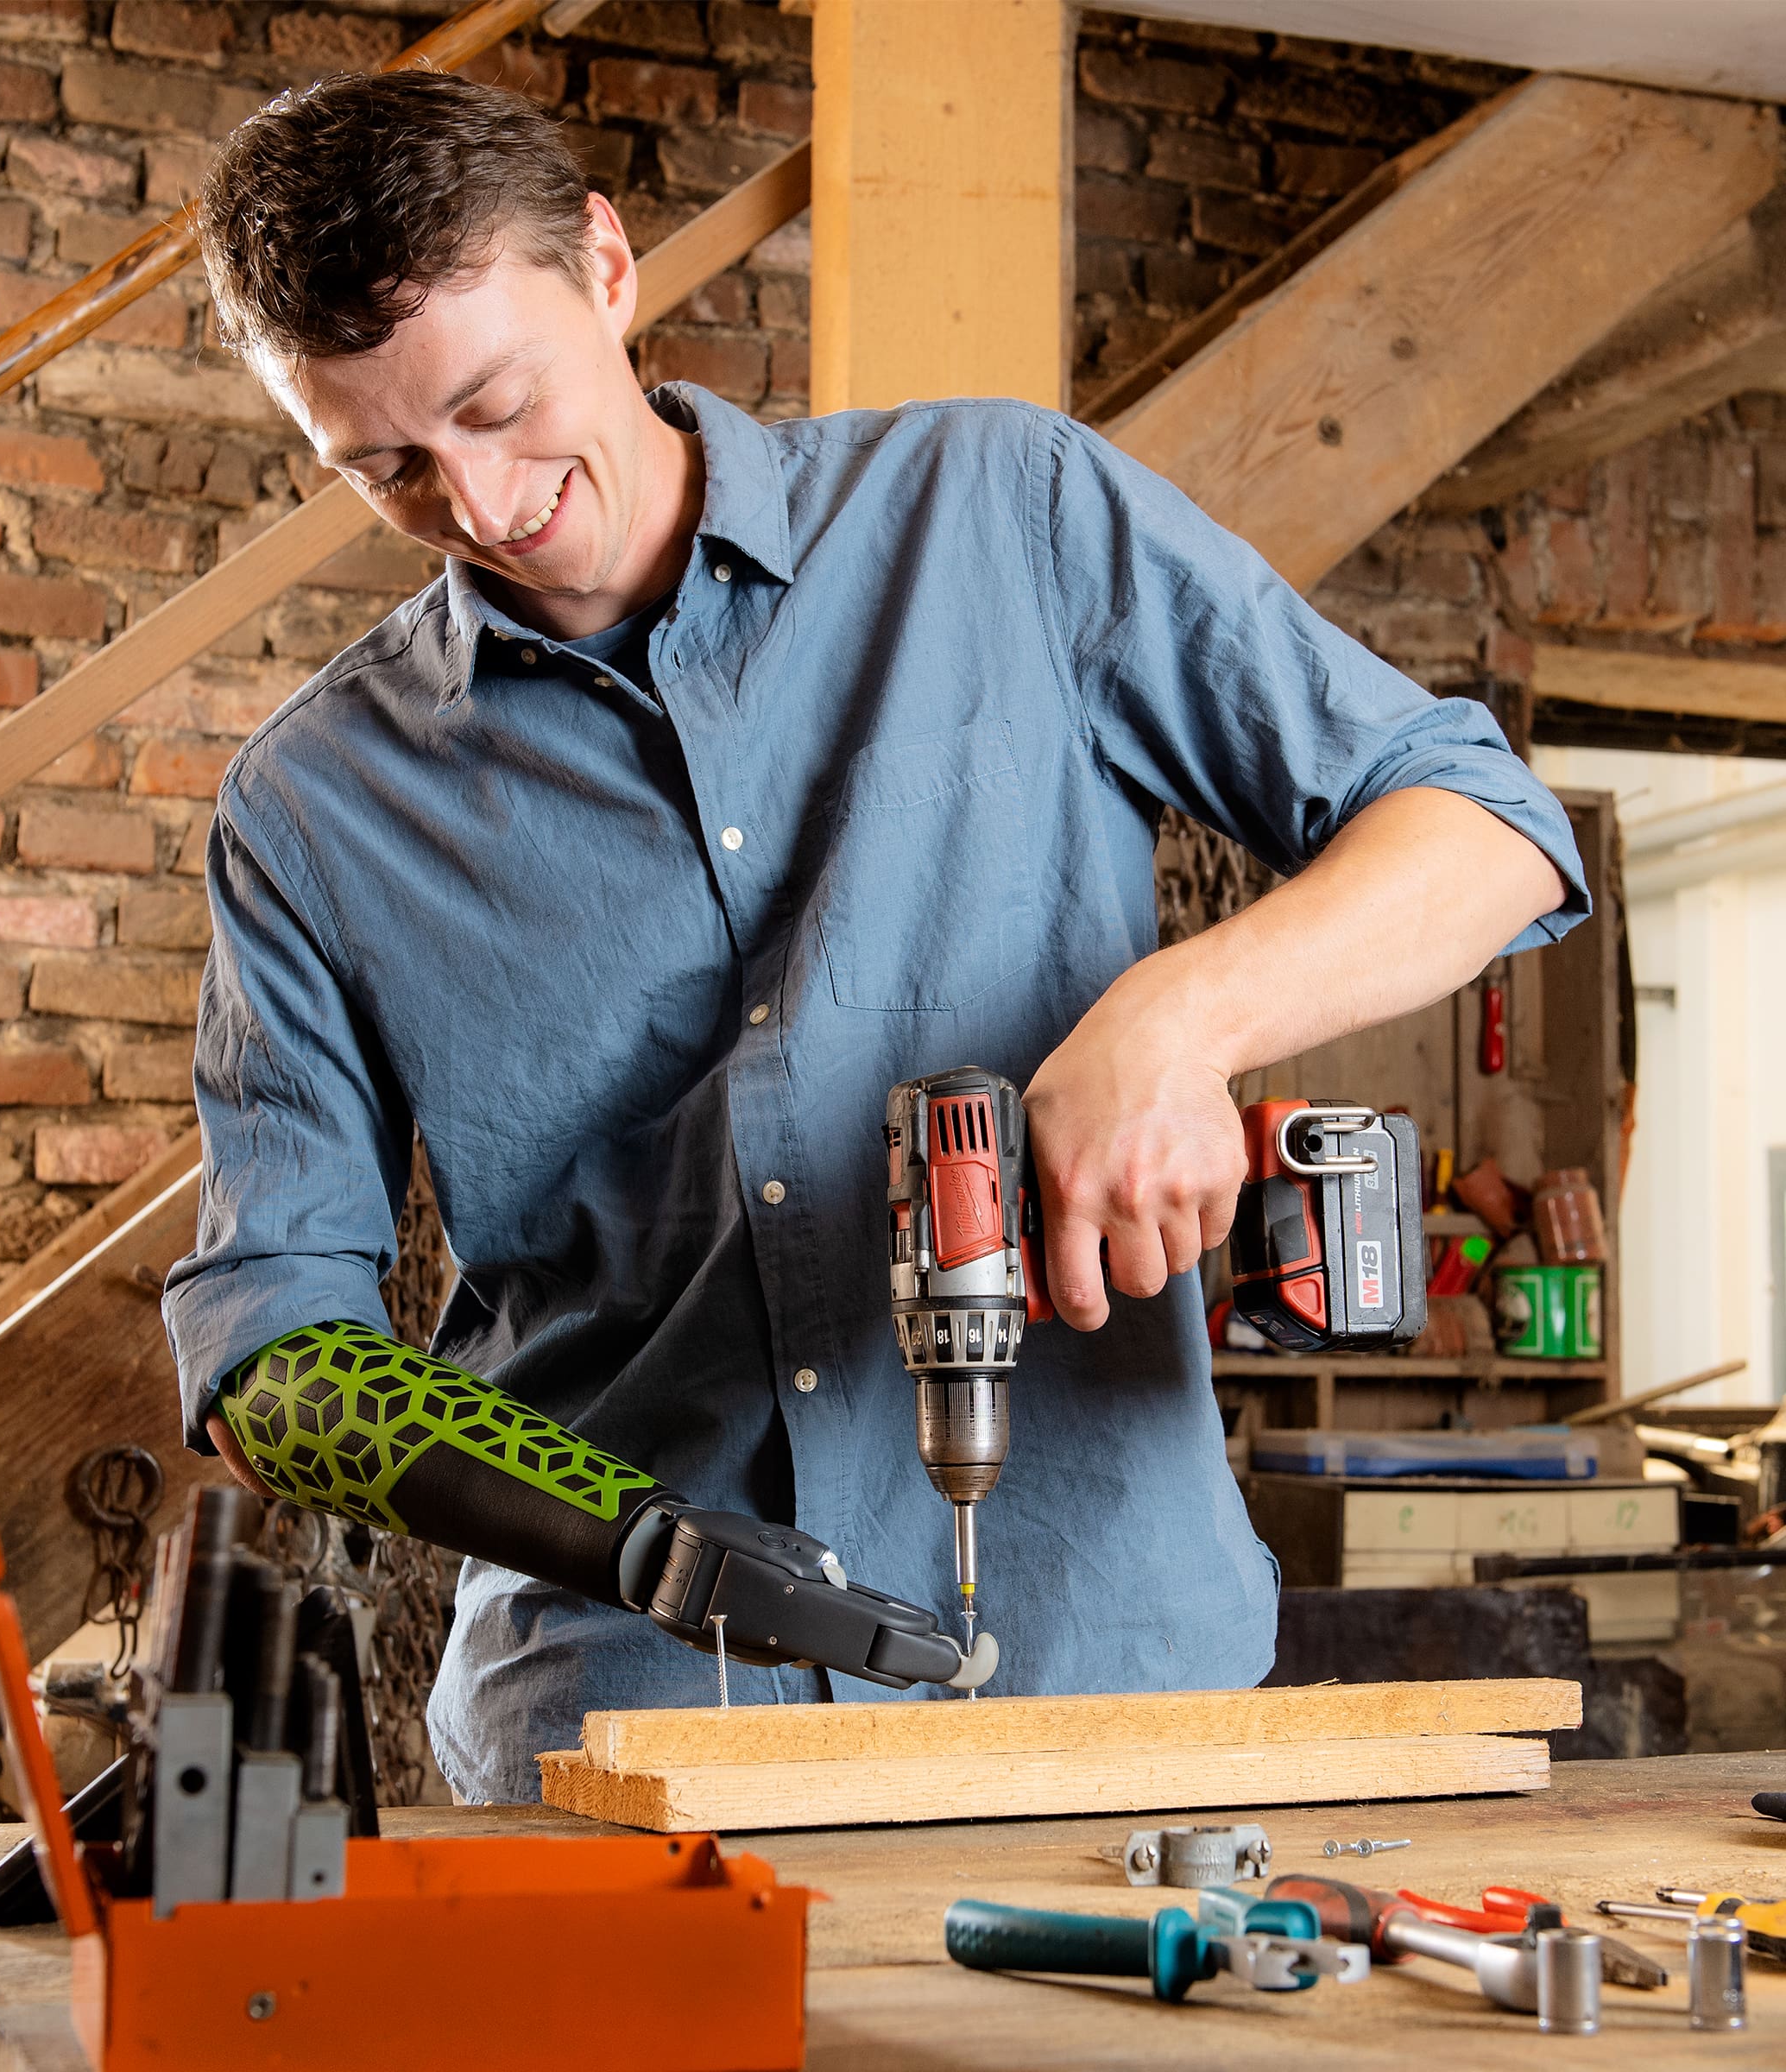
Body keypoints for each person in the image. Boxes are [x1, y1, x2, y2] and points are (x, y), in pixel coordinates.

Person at [167, 69, 1582, 1802]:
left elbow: (1486, 825)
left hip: (1110, 1687)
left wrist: (1176, 1018)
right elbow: (274, 1353)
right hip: (631, 1725)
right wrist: (658, 1553)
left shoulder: (1004, 514)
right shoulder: (315, 808)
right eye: (386, 464)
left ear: (606, 269)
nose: (478, 503)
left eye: (495, 403)